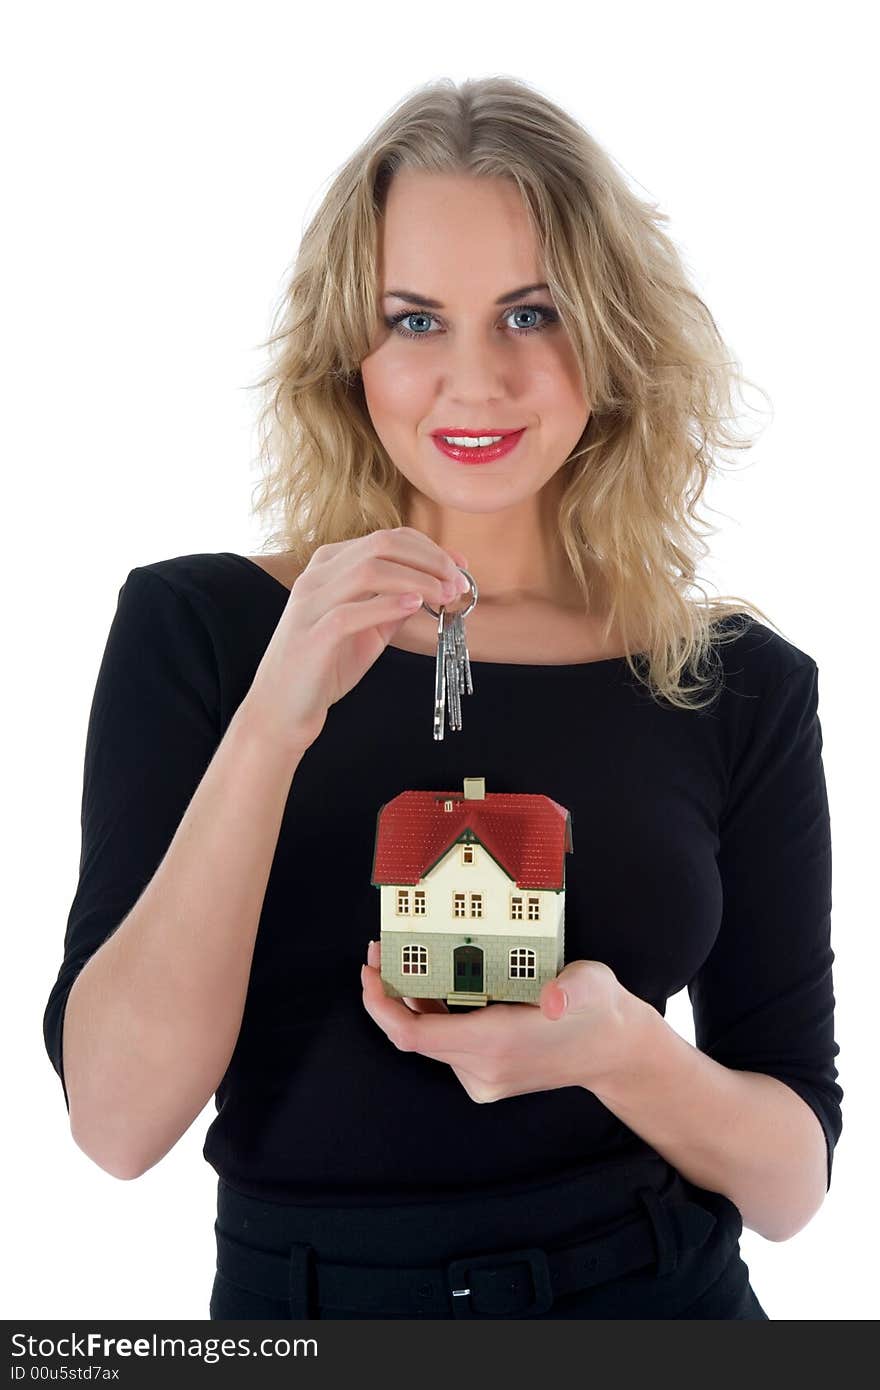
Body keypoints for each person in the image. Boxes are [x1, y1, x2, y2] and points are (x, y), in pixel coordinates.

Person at [42, 75, 843, 1320]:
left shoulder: (736, 681)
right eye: (415, 320)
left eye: (530, 312)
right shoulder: (200, 629)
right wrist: (276, 717)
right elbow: (115, 1121)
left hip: (656, 1294)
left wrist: (624, 1051)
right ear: (348, 354)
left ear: (614, 336)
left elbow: (793, 1181)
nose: (475, 382)